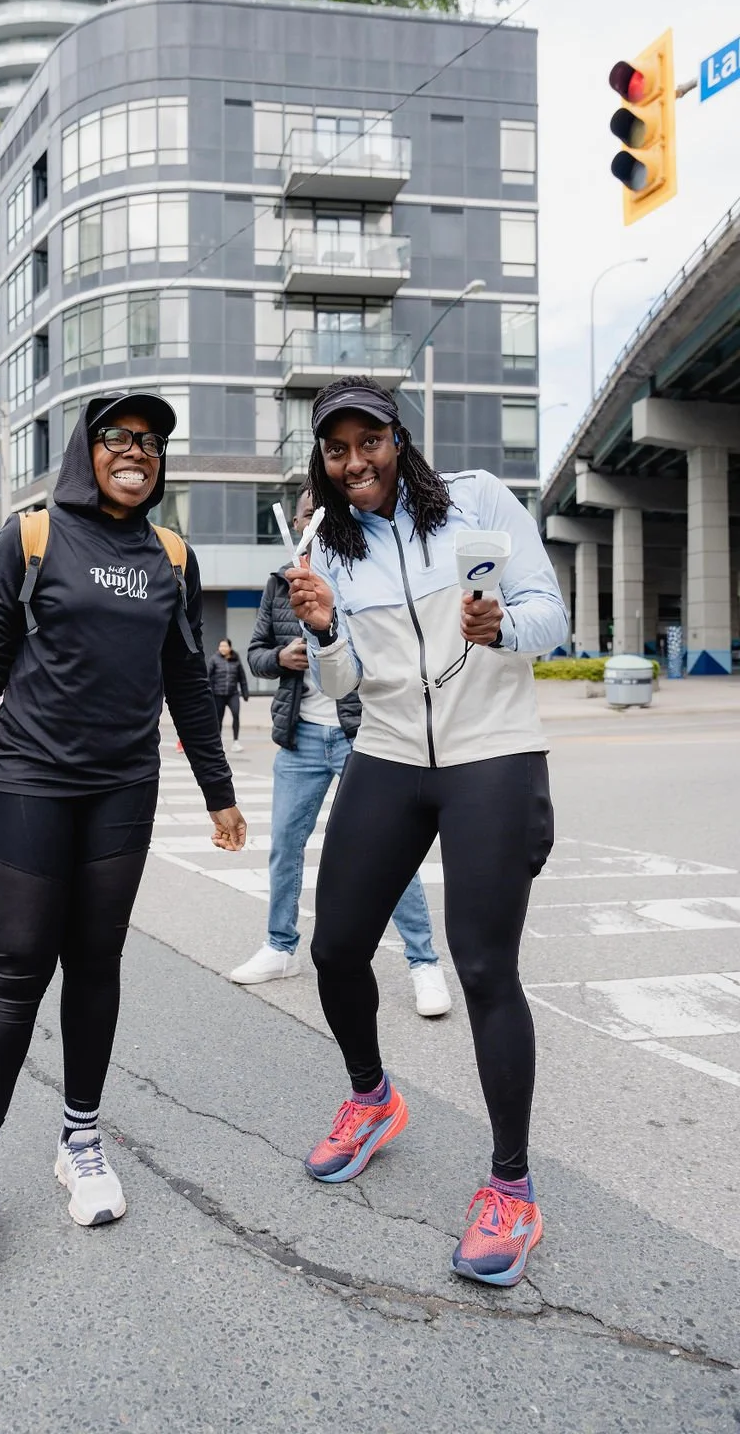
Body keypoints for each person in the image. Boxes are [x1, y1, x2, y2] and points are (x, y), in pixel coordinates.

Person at [0, 391, 247, 1275]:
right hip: (32, 782)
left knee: (97, 961)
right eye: (119, 437)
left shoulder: (171, 556)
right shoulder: (31, 538)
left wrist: (218, 793)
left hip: (123, 790)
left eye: (150, 442)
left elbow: (186, 680)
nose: (136, 452)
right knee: (18, 965)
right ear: (87, 449)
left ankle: (79, 1141)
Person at [286, 375, 567, 1290]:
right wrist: (326, 629)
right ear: (323, 462)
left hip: (492, 752)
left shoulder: (481, 502)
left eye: (369, 441)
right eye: (337, 449)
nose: (355, 461)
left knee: (483, 968)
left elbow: (552, 622)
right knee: (333, 949)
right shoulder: (327, 543)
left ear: (398, 440)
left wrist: (500, 627)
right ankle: (373, 1099)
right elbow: (337, 688)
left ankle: (512, 1189)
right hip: (394, 751)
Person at [230, 486, 450, 1017]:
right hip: (301, 734)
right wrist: (282, 656)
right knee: (285, 844)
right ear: (299, 522)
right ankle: (281, 948)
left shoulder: (366, 572)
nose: (313, 523)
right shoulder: (280, 582)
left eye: (322, 515)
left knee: (390, 852)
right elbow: (255, 655)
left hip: (363, 736)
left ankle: (424, 963)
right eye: (307, 514)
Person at [207, 638, 249, 751]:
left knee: (236, 714)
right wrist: (208, 693)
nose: (222, 648)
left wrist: (245, 692)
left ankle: (236, 742)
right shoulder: (214, 659)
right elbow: (207, 677)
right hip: (218, 694)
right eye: (221, 646)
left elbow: (242, 677)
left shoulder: (236, 659)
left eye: (225, 646)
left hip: (233, 694)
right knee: (218, 719)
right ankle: (218, 742)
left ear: (229, 648)